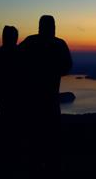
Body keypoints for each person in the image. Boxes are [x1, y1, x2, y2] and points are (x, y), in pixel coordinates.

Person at [18, 15, 72, 173]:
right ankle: (49, 167)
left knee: (34, 134)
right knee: (51, 134)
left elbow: (16, 60)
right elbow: (67, 66)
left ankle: (35, 166)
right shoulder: (59, 44)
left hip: (32, 98)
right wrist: (52, 70)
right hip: (49, 97)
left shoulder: (30, 42)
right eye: (52, 26)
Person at [0, 25, 20, 174]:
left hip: (3, 92)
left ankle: (4, 154)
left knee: (4, 121)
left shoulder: (0, 52)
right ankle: (10, 156)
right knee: (12, 123)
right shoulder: (17, 53)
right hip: (12, 94)